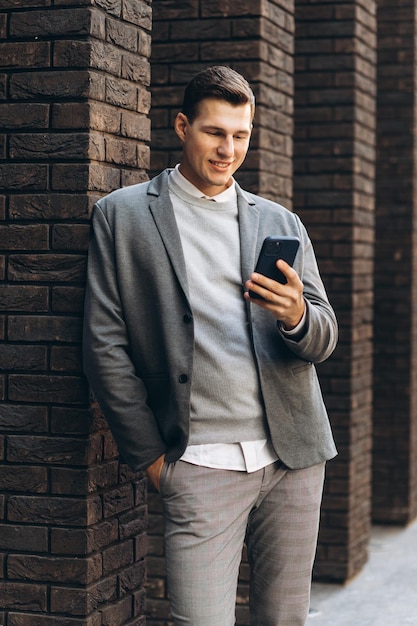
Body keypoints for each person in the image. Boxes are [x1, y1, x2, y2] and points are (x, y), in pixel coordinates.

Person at [83, 65, 338, 626]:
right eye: (215, 132)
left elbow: (323, 337)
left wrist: (297, 315)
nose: (228, 150)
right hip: (197, 464)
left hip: (293, 459)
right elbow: (104, 346)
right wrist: (151, 459)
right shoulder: (123, 216)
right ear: (182, 126)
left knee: (284, 619)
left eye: (241, 135)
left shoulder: (281, 222)